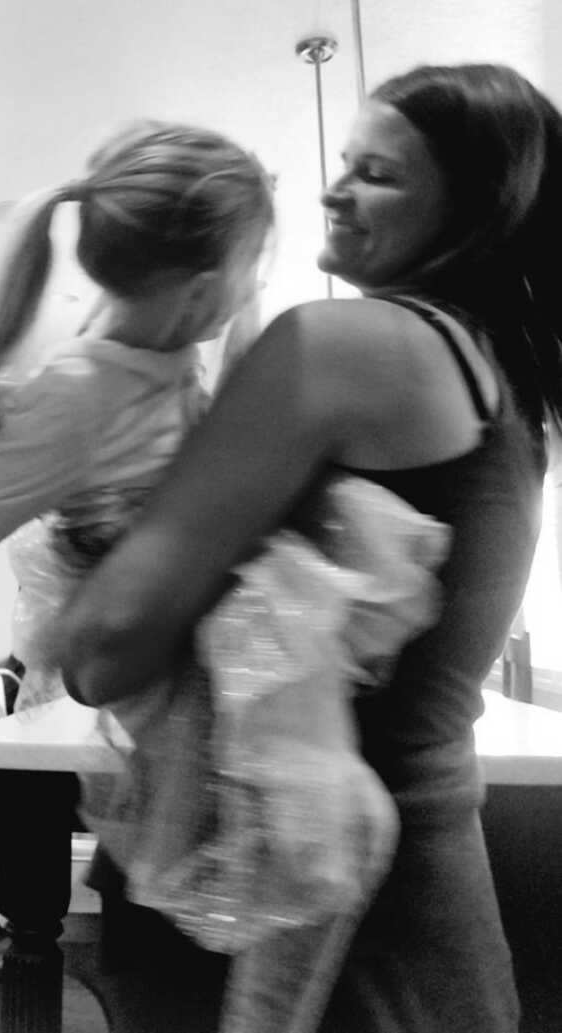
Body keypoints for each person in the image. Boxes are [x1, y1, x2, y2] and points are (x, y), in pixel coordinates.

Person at [0, 117, 447, 1033]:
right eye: (250, 269)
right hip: (176, 634)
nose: (252, 289)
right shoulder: (77, 391)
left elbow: (231, 385)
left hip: (204, 608)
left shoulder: (169, 350)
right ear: (200, 289)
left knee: (318, 842)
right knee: (329, 843)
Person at [57, 63, 562, 1033]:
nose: (334, 189)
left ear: (475, 209)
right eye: (345, 162)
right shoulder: (509, 390)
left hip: (275, 907)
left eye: (378, 172)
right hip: (437, 893)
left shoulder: (338, 345)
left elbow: (100, 651)